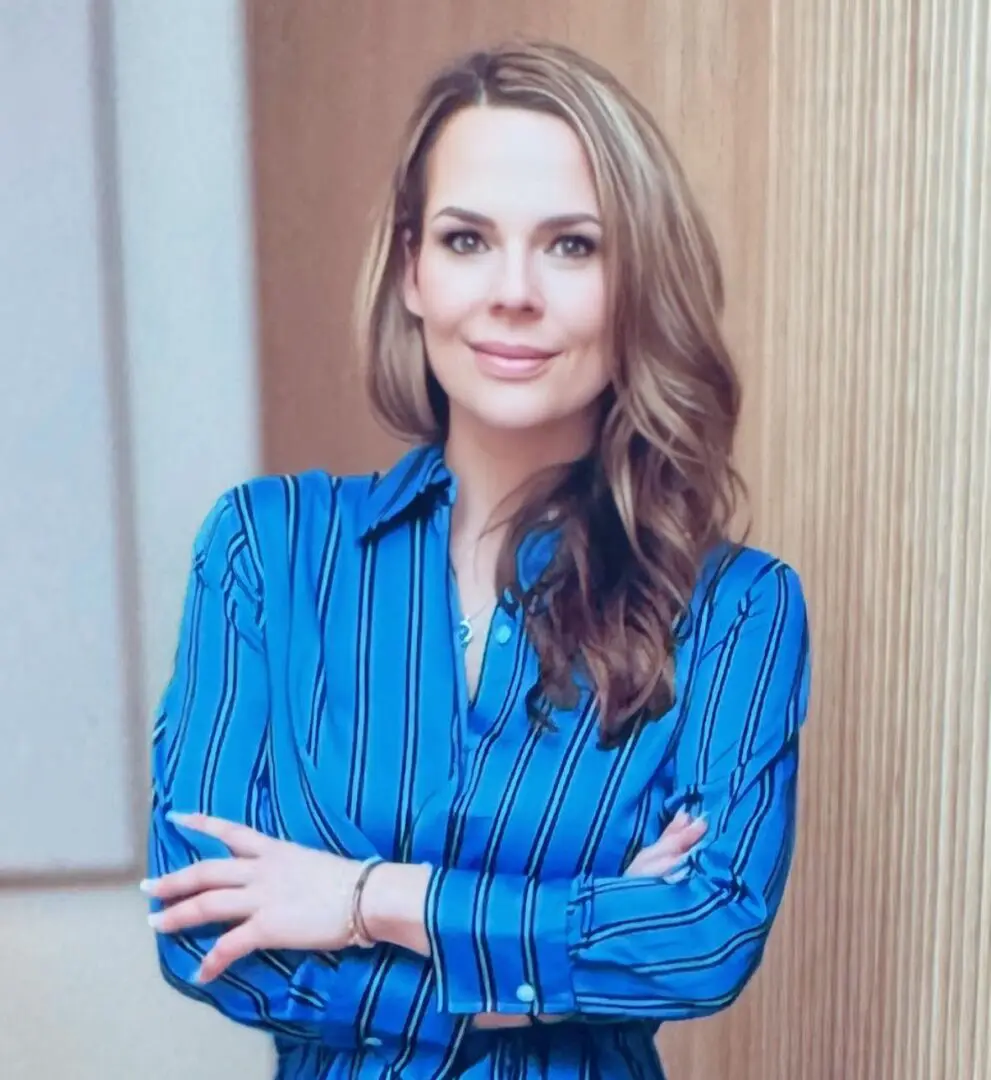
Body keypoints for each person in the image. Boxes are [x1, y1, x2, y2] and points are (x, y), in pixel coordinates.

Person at [141, 39, 811, 1080]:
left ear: (634, 283)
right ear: (412, 269)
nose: (512, 292)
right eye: (466, 240)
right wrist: (562, 957)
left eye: (571, 247)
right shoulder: (266, 551)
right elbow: (204, 937)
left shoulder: (736, 611)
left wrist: (364, 902)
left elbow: (701, 938)